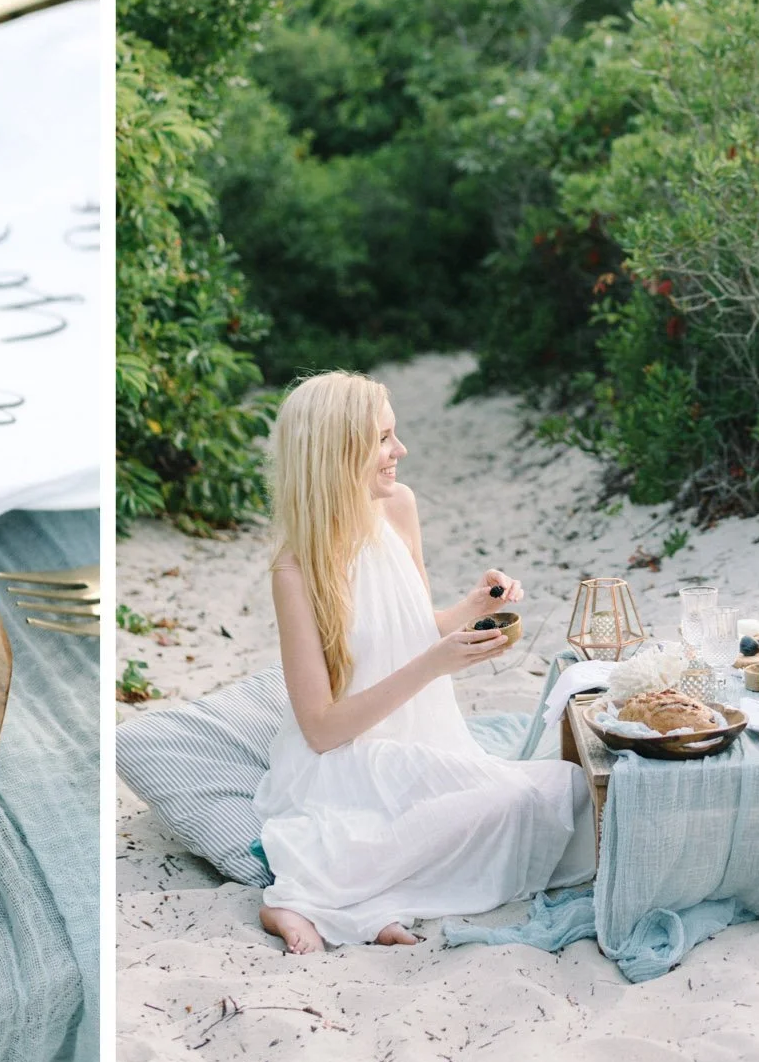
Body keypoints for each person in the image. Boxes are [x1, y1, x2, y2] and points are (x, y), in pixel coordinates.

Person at [252, 371, 593, 954]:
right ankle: (297, 899)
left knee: (561, 791)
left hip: (426, 739)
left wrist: (471, 608)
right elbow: (321, 728)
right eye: (384, 439)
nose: (399, 451)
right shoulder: (295, 569)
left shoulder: (399, 507)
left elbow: (414, 628)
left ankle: (369, 899)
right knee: (510, 801)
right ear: (339, 452)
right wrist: (433, 666)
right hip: (349, 760)